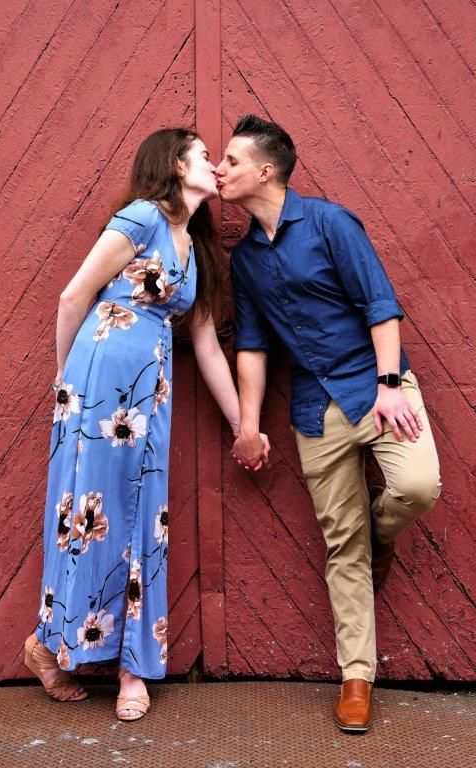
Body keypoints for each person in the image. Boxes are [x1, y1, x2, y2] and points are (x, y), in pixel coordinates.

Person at [25, 128, 267, 721]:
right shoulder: (140, 218)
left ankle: (133, 665)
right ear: (173, 164)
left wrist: (244, 425)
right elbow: (72, 296)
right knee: (86, 515)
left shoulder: (199, 252)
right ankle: (49, 646)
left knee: (140, 518)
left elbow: (208, 348)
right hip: (97, 386)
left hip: (149, 398)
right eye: (204, 154)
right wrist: (67, 385)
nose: (214, 164)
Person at [216, 115, 441, 732]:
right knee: (343, 547)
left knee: (418, 487)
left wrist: (391, 386)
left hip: (377, 387)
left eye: (231, 160)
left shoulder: (330, 222)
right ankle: (357, 679)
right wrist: (247, 424)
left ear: (266, 170)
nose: (220, 170)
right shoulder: (244, 262)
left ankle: (382, 531)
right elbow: (255, 346)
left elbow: (380, 304)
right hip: (314, 407)